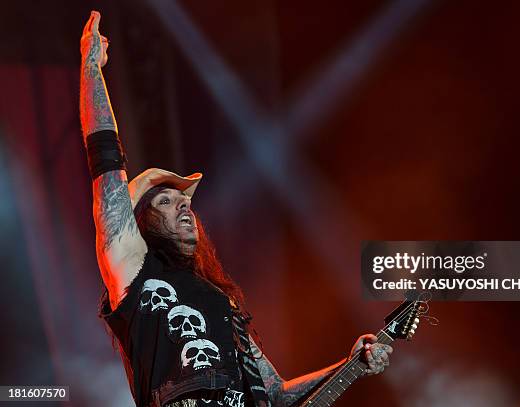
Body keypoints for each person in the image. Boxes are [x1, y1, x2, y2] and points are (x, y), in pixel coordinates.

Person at [80, 10, 393, 407]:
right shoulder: (134, 272)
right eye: (166, 201)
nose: (183, 207)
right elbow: (106, 163)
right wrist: (91, 70)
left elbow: (276, 393)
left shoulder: (221, 301)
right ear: (138, 224)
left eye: (185, 201)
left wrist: (350, 365)